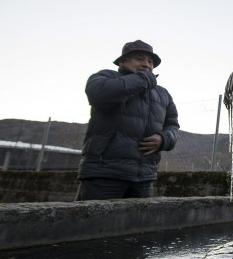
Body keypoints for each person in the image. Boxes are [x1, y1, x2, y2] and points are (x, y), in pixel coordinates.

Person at [75, 40, 179, 200]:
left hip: (144, 178)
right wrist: (143, 79)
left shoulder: (163, 94)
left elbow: (172, 126)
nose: (146, 65)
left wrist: (164, 139)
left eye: (150, 62)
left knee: (138, 224)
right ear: (123, 61)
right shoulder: (105, 77)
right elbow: (97, 93)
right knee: (92, 224)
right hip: (104, 174)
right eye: (139, 59)